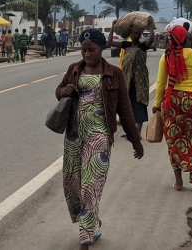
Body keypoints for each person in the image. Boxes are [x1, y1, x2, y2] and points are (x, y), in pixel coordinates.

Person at [55, 28, 144, 248]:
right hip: (74, 136)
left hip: (99, 136)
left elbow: (124, 108)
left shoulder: (114, 73)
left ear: (101, 48)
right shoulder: (74, 69)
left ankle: (85, 236)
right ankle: (92, 221)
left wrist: (135, 140)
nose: (86, 54)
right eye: (84, 50)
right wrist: (64, 90)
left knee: (90, 185)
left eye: (91, 50)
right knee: (72, 185)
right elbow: (58, 91)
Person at [154, 24, 192, 191]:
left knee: (173, 140)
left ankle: (179, 181)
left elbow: (160, 84)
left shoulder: (166, 57)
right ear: (187, 38)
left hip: (171, 101)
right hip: (190, 101)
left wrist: (157, 104)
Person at [109, 24, 155, 136]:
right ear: (129, 34)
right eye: (132, 33)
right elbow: (110, 42)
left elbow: (151, 39)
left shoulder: (143, 46)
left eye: (136, 33)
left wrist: (151, 27)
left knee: (139, 104)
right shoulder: (126, 45)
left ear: (139, 35)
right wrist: (112, 27)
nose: (134, 35)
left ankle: (138, 132)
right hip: (127, 81)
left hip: (140, 81)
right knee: (127, 105)